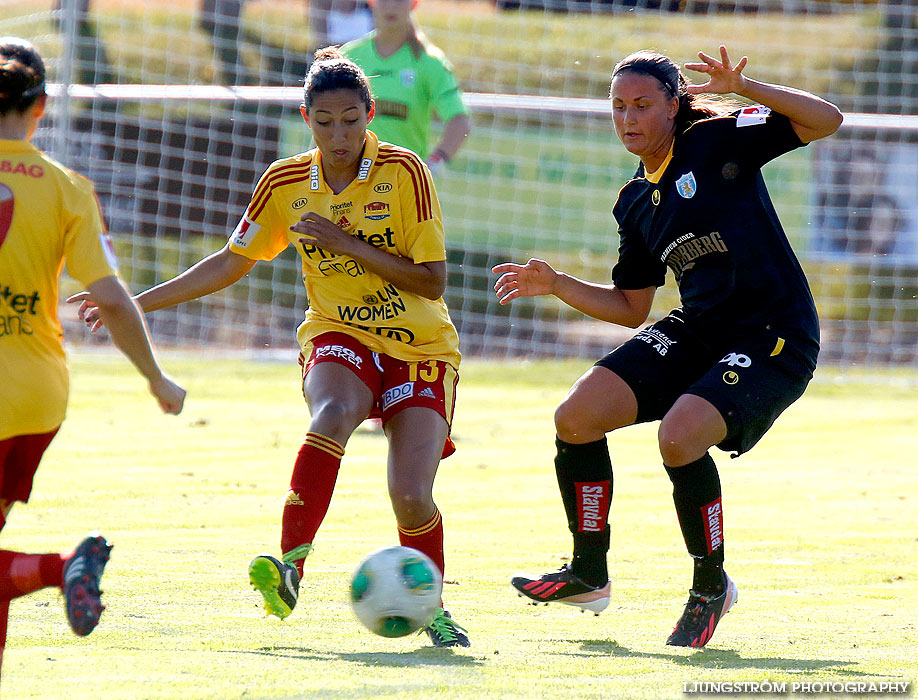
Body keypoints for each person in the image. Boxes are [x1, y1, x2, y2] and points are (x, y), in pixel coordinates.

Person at [70, 47, 470, 647]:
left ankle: (432, 606)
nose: (340, 135)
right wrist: (131, 303)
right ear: (305, 118)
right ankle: (290, 567)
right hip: (339, 333)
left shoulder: (405, 172)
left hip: (421, 348)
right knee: (332, 411)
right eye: (326, 121)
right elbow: (231, 263)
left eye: (353, 119)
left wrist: (346, 242)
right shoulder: (284, 183)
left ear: (371, 115)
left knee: (411, 496)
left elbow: (433, 280)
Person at [492, 46, 842, 648]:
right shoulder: (634, 199)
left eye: (643, 105)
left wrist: (746, 85)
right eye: (618, 106)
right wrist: (556, 286)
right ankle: (589, 573)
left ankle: (711, 586)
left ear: (674, 103)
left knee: (679, 436)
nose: (628, 118)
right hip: (699, 329)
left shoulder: (716, 140)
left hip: (772, 334)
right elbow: (632, 307)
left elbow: (827, 119)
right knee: (576, 418)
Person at [0, 37, 186, 675]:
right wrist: (156, 377)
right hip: (36, 393)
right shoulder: (67, 189)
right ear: (42, 107)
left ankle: (61, 568)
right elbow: (110, 297)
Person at [340, 0, 470, 175]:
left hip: (404, 185)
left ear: (414, 3)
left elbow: (460, 121)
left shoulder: (429, 62)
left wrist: (432, 165)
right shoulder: (350, 57)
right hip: (352, 182)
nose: (391, 6)